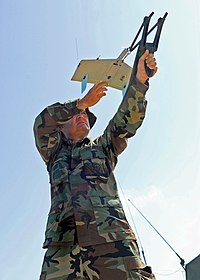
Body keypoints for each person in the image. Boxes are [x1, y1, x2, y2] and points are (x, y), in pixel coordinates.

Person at [34, 49, 158, 280]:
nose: (83, 116)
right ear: (62, 125)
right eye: (78, 115)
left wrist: (140, 81)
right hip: (62, 249)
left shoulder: (102, 148)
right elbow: (42, 124)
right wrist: (80, 103)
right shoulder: (54, 153)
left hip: (113, 241)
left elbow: (124, 123)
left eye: (87, 115)